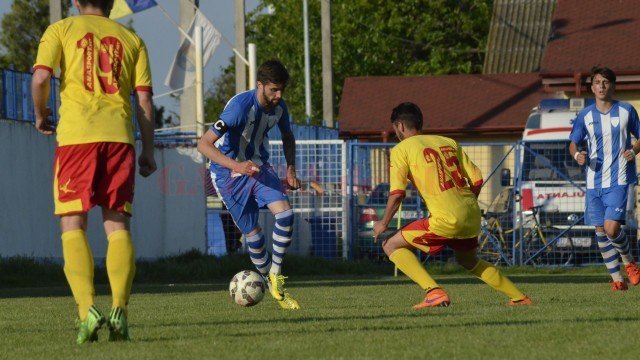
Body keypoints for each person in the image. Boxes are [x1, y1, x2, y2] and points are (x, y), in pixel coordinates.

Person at [31, 0, 156, 344]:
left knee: (73, 222)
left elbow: (41, 77)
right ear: (112, 3)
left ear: (74, 2)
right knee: (117, 225)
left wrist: (41, 115)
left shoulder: (60, 30)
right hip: (119, 139)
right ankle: (120, 310)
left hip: (77, 139)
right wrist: (147, 148)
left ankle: (87, 310)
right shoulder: (132, 39)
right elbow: (144, 101)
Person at [373, 102, 532, 308]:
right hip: (471, 213)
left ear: (400, 126)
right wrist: (464, 205)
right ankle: (519, 298)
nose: (396, 133)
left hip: (446, 217)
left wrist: (383, 223)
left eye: (395, 129)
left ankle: (433, 292)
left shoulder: (401, 149)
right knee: (469, 260)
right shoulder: (448, 142)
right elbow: (476, 179)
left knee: (390, 244)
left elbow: (396, 194)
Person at [197, 60, 300, 310]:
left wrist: (290, 167)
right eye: (274, 90)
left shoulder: (280, 108)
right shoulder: (239, 109)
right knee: (253, 235)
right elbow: (204, 144)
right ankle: (270, 281)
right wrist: (236, 166)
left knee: (286, 215)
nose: (279, 95)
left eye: (282, 90)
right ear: (260, 85)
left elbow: (288, 136)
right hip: (227, 175)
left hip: (258, 167)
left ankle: (276, 278)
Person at [569, 66, 640, 291]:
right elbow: (573, 142)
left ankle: (630, 263)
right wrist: (577, 154)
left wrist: (634, 150)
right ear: (592, 87)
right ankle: (618, 280)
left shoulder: (627, 110)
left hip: (619, 177)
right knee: (600, 231)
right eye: (597, 82)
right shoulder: (585, 115)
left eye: (606, 82)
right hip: (593, 181)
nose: (601, 86)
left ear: (613, 86)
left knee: (611, 229)